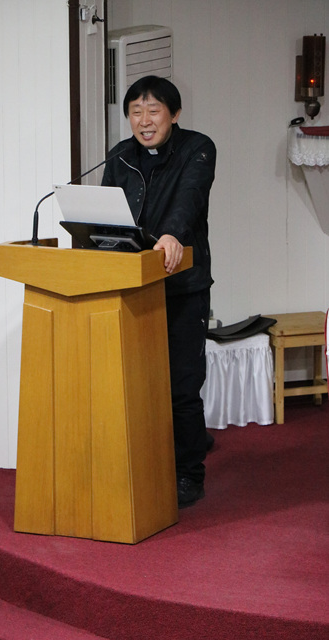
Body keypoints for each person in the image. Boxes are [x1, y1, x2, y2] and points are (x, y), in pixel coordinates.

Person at [101, 75, 216, 507]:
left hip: (182, 286)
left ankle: (189, 474)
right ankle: (143, 465)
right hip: (132, 288)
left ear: (174, 114)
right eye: (136, 111)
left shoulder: (197, 148)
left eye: (153, 111)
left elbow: (190, 198)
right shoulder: (120, 156)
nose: (144, 120)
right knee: (136, 385)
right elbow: (107, 214)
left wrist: (171, 234)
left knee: (181, 386)